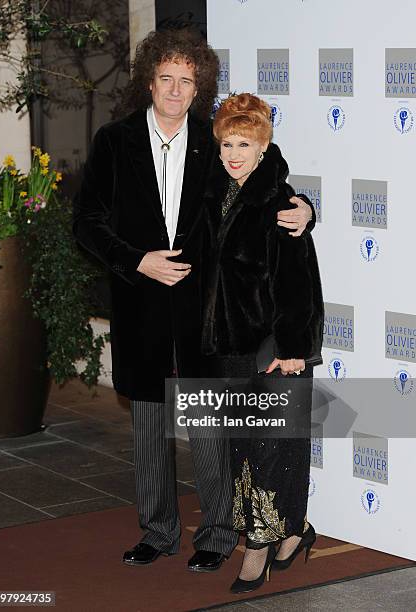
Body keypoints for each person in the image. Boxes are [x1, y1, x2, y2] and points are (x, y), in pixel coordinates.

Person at [73, 28, 315, 572]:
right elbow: (86, 222)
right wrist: (137, 260)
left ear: (199, 86)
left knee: (209, 426)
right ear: (149, 81)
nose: (177, 90)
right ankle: (157, 531)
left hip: (205, 312)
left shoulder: (215, 141)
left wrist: (305, 211)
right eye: (167, 79)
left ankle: (218, 531)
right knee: (150, 427)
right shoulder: (115, 141)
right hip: (140, 303)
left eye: (188, 81)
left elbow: (267, 178)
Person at [201, 93, 324, 593]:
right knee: (245, 449)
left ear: (263, 144)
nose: (234, 152)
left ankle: (259, 548)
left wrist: (292, 348)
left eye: (244, 143)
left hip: (274, 347)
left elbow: (298, 284)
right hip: (230, 346)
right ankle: (294, 530)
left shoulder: (279, 203)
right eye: (227, 142)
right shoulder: (215, 194)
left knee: (273, 449)